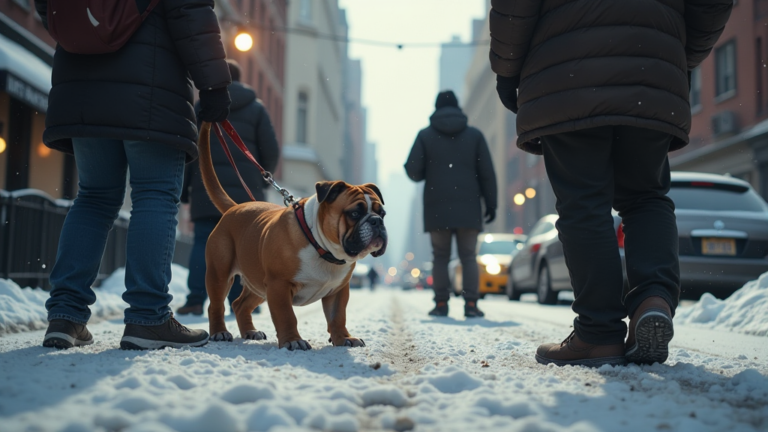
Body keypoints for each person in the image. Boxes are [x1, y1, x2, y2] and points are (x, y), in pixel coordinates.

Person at [490, 0, 733, 366]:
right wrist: (676, 54)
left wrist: (508, 70)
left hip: (567, 72)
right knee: (646, 197)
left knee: (584, 204)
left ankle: (598, 333)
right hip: (652, 67)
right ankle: (653, 299)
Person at [37, 0, 232, 350]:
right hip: (152, 86)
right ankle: (148, 317)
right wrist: (214, 85)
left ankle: (65, 315)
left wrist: (88, 31)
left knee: (93, 198)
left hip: (80, 82)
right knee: (154, 196)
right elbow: (190, 11)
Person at [177, 60, 280, 316]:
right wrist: (262, 175)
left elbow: (191, 150)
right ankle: (242, 300)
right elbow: (271, 150)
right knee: (246, 244)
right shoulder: (256, 109)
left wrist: (185, 189)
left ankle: (195, 299)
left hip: (206, 190)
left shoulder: (202, 108)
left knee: (204, 241)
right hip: (247, 193)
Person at [404, 90, 497, 318]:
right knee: (468, 257)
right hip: (469, 207)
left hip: (437, 206)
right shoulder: (475, 135)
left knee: (440, 257)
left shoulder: (425, 135)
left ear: (436, 108)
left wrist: (431, 170)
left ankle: (441, 304)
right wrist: (491, 204)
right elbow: (487, 173)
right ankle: (471, 305)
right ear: (458, 107)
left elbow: (412, 170)